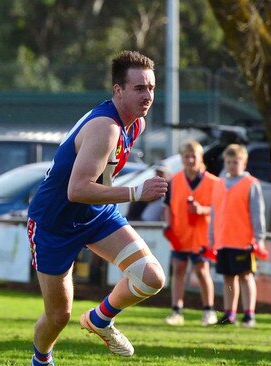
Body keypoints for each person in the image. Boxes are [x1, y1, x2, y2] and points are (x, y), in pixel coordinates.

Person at [26, 50, 168, 365]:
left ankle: (100, 319)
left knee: (151, 278)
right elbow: (76, 190)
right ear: (118, 90)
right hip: (54, 223)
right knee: (58, 316)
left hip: (95, 214)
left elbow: (100, 178)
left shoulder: (137, 124)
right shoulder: (107, 127)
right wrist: (136, 192)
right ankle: (41, 360)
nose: (147, 96)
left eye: (151, 88)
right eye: (139, 88)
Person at [209, 143, 266, 328]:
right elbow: (214, 212)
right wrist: (212, 238)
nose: (232, 165)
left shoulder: (251, 184)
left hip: (243, 241)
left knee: (245, 276)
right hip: (223, 240)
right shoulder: (219, 184)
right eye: (229, 161)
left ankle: (249, 314)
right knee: (227, 277)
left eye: (236, 161)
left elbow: (258, 213)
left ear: (244, 162)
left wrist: (259, 238)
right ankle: (229, 314)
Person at [163, 140, 219, 326]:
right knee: (178, 269)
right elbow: (167, 207)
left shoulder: (213, 182)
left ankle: (209, 310)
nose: (190, 159)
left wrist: (202, 210)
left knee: (202, 271)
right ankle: (176, 311)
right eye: (186, 156)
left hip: (202, 236)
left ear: (200, 157)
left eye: (193, 155)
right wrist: (168, 226)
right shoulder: (175, 180)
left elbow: (220, 210)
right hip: (180, 234)